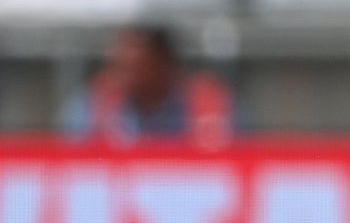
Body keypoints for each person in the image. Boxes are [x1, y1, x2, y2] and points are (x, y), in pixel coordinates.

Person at [62, 25, 234, 149]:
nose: (124, 76)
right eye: (119, 66)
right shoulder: (91, 106)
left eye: (135, 67)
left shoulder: (210, 103)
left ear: (163, 63)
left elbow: (243, 158)